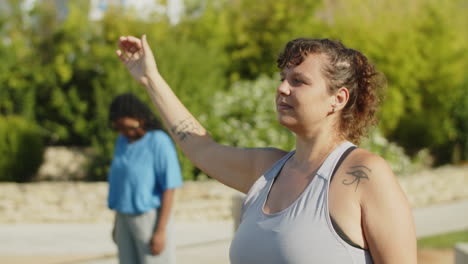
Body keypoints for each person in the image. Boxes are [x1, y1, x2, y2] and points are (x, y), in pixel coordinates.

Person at [116, 35, 417, 263]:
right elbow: (200, 148)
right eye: (283, 78)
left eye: (298, 81)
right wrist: (149, 78)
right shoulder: (266, 169)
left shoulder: (365, 175)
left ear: (337, 99)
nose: (283, 88)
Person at [107, 93, 183, 264]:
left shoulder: (159, 141)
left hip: (149, 218)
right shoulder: (122, 142)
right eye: (118, 128)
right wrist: (116, 224)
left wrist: (160, 231)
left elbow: (169, 187)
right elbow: (122, 185)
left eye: (127, 127)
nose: (125, 132)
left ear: (138, 117)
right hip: (123, 216)